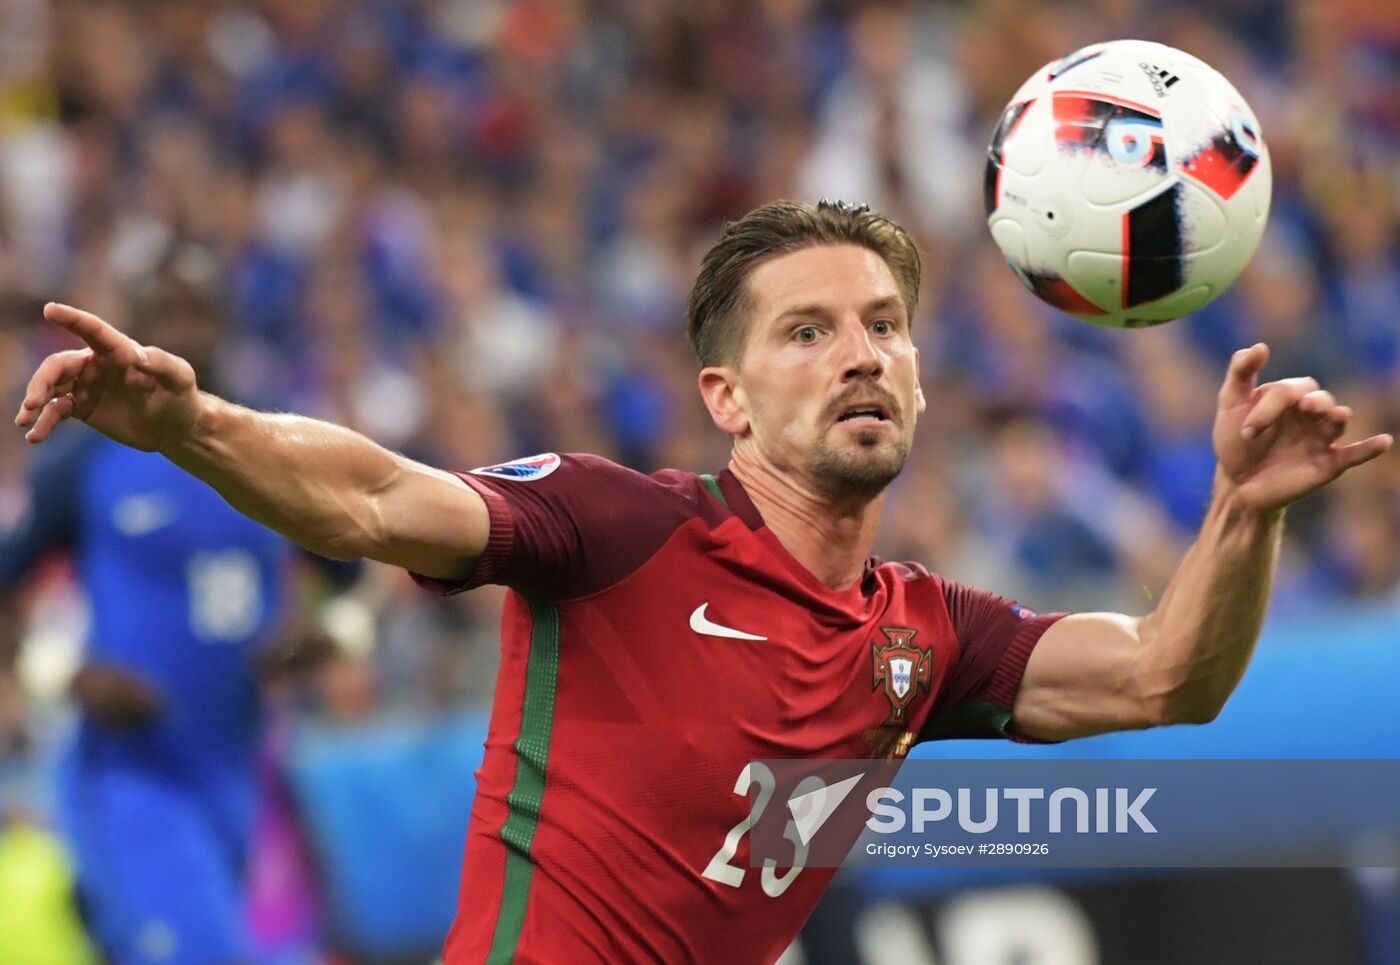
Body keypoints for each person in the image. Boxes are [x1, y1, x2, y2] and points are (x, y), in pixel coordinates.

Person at [14, 200, 1391, 964]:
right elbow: (374, 494)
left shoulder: (926, 635)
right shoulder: (617, 527)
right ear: (726, 398)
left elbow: (1167, 675)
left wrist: (1243, 513)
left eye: (885, 325)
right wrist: (197, 427)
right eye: (810, 330)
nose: (862, 353)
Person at [3, 245, 344, 965]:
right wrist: (59, 674)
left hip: (237, 766)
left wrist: (326, 631)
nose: (182, 331)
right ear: (134, 324)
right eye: (164, 313)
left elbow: (354, 572)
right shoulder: (85, 458)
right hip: (132, 772)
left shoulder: (272, 446)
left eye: (197, 312)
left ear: (224, 324)